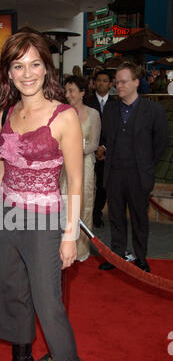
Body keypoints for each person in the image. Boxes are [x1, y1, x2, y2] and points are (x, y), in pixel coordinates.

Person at [0, 32, 92, 361]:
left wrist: (69, 235)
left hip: (46, 219)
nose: (26, 73)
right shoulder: (4, 115)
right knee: (12, 292)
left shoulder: (64, 116)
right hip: (9, 214)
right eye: (17, 65)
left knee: (49, 304)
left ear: (46, 66)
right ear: (8, 72)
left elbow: (76, 183)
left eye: (33, 64)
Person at [99, 62, 169, 272]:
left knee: (140, 219)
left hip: (139, 175)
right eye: (116, 81)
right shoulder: (110, 109)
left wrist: (147, 163)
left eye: (123, 81)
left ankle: (141, 258)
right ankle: (117, 255)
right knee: (115, 217)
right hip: (114, 175)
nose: (118, 85)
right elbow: (106, 137)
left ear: (136, 82)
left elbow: (162, 141)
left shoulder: (153, 110)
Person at [62, 75, 101, 261]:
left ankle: (81, 249)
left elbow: (94, 143)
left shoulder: (93, 114)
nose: (68, 94)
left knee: (84, 204)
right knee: (64, 202)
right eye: (66, 90)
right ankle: (63, 244)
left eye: (72, 91)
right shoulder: (61, 112)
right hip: (64, 165)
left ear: (82, 92)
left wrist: (77, 150)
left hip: (85, 164)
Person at [86, 70, 114, 228]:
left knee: (103, 186)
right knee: (88, 185)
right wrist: (95, 147)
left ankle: (97, 213)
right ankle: (86, 214)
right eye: (99, 80)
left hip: (107, 152)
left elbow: (116, 129)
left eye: (105, 80)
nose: (101, 83)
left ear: (111, 84)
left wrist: (104, 147)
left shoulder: (116, 104)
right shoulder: (87, 102)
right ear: (94, 83)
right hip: (89, 150)